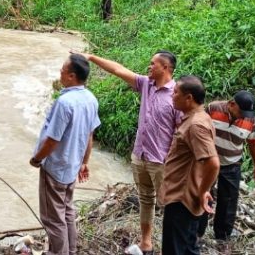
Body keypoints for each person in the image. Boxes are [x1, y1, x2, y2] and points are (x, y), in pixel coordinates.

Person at [75, 50, 181, 254]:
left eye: (153, 64)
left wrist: (171, 158)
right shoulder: (146, 84)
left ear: (165, 68)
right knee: (145, 200)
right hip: (140, 155)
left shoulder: (176, 94)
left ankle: (172, 248)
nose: (149, 67)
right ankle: (146, 243)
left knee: (169, 205)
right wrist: (91, 57)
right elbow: (117, 69)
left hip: (162, 161)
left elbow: (180, 131)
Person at [29, 54, 101, 255]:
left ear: (71, 76)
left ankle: (59, 252)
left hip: (56, 166)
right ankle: (71, 251)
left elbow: (53, 139)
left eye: (62, 70)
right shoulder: (90, 98)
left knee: (53, 218)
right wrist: (84, 162)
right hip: (73, 165)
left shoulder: (65, 102)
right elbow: (89, 134)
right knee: (67, 211)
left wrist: (37, 159)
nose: (59, 73)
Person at [160, 76, 219, 255]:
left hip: (182, 199)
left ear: (189, 98)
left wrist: (203, 191)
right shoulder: (200, 118)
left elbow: (213, 163)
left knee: (176, 249)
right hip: (182, 196)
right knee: (187, 247)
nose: (172, 95)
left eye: (176, 92)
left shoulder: (196, 125)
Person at [198, 90, 255, 252]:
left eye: (247, 114)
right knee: (203, 194)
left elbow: (253, 143)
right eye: (241, 112)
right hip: (208, 161)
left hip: (232, 164)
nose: (243, 116)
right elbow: (199, 129)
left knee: (229, 201)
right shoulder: (213, 109)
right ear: (231, 104)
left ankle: (222, 237)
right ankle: (197, 233)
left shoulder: (251, 120)